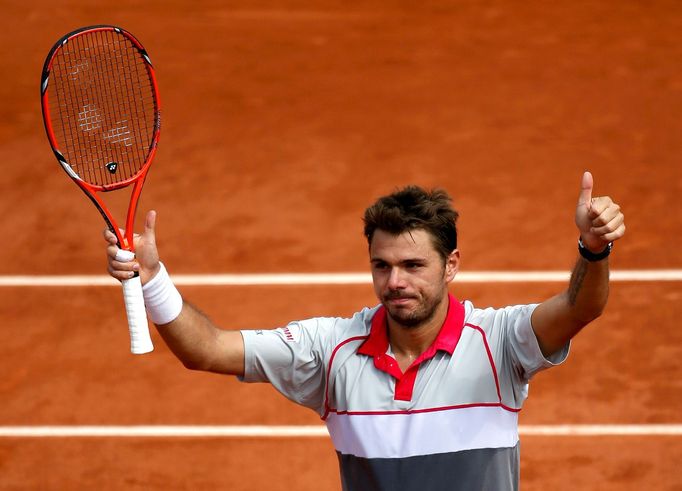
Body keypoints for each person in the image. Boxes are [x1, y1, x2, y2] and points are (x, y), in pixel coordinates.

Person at [105, 171, 625, 491]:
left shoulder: (499, 343)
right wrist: (153, 280)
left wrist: (593, 249)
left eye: (413, 266)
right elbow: (209, 349)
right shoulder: (330, 352)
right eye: (381, 266)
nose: (395, 282)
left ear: (451, 265)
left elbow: (579, 308)